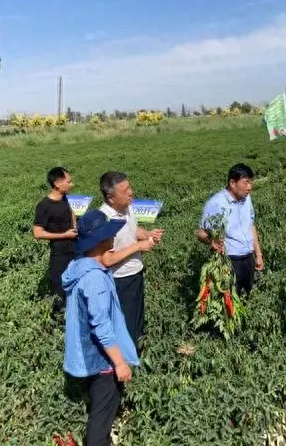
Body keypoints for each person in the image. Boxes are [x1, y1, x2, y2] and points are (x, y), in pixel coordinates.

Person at [62, 209, 139, 446]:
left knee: (98, 402)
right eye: (109, 234)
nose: (114, 236)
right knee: (102, 414)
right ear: (100, 241)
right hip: (102, 359)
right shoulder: (95, 280)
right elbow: (102, 327)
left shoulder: (80, 265)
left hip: (88, 352)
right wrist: (119, 363)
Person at [98, 171, 164, 347]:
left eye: (130, 187)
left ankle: (137, 350)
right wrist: (138, 247)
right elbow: (107, 259)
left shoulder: (127, 207)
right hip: (119, 280)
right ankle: (125, 363)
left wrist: (148, 234)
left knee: (137, 318)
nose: (131, 192)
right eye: (125, 190)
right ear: (111, 198)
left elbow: (133, 230)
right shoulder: (104, 220)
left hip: (136, 272)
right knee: (125, 324)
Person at [197, 163, 264, 296]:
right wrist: (211, 242)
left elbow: (251, 225)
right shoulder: (216, 203)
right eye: (245, 183)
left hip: (248, 258)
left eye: (251, 183)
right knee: (230, 300)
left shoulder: (246, 198)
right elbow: (201, 233)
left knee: (249, 296)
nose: (249, 187)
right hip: (230, 261)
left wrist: (258, 254)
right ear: (232, 183)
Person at [33, 167, 78, 308]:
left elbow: (70, 211)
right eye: (69, 182)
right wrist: (64, 235)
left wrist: (75, 225)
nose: (72, 184)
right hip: (59, 254)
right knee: (60, 289)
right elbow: (37, 232)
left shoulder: (64, 197)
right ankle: (59, 319)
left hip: (74, 248)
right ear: (58, 184)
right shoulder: (44, 206)